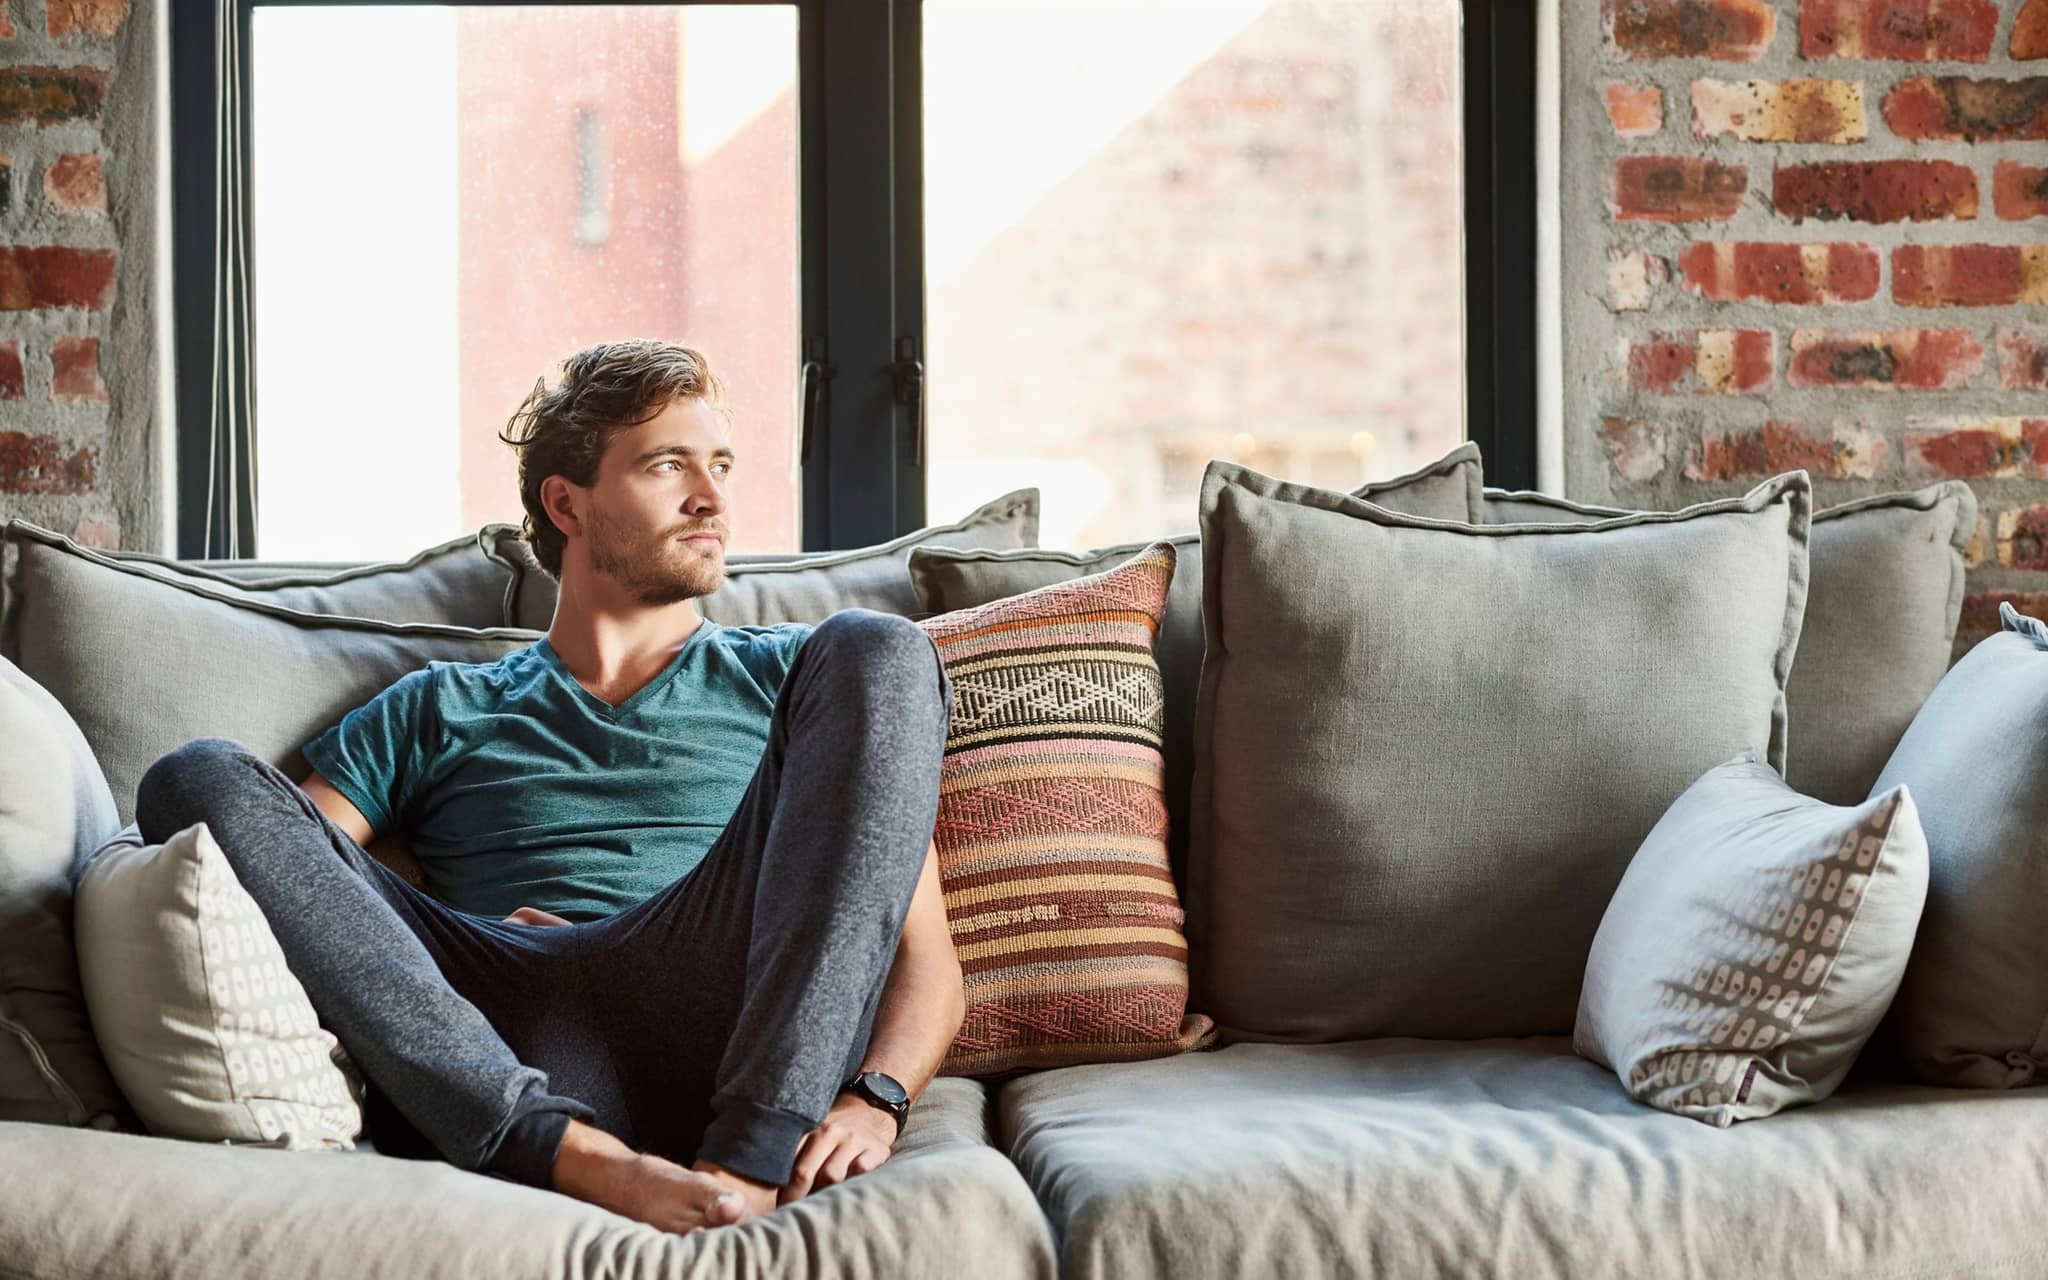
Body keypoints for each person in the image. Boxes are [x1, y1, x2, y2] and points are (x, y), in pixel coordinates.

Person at [132, 339, 963, 1237]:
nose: (712, 498)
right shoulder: (438, 705)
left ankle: (745, 1165)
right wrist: (463, 936)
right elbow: (309, 885)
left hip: (718, 994)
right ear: (566, 503)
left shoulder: (793, 680)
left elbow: (922, 955)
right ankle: (562, 1151)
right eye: (668, 465)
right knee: (197, 777)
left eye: (720, 465)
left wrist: (876, 1099)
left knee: (881, 646)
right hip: (505, 1011)